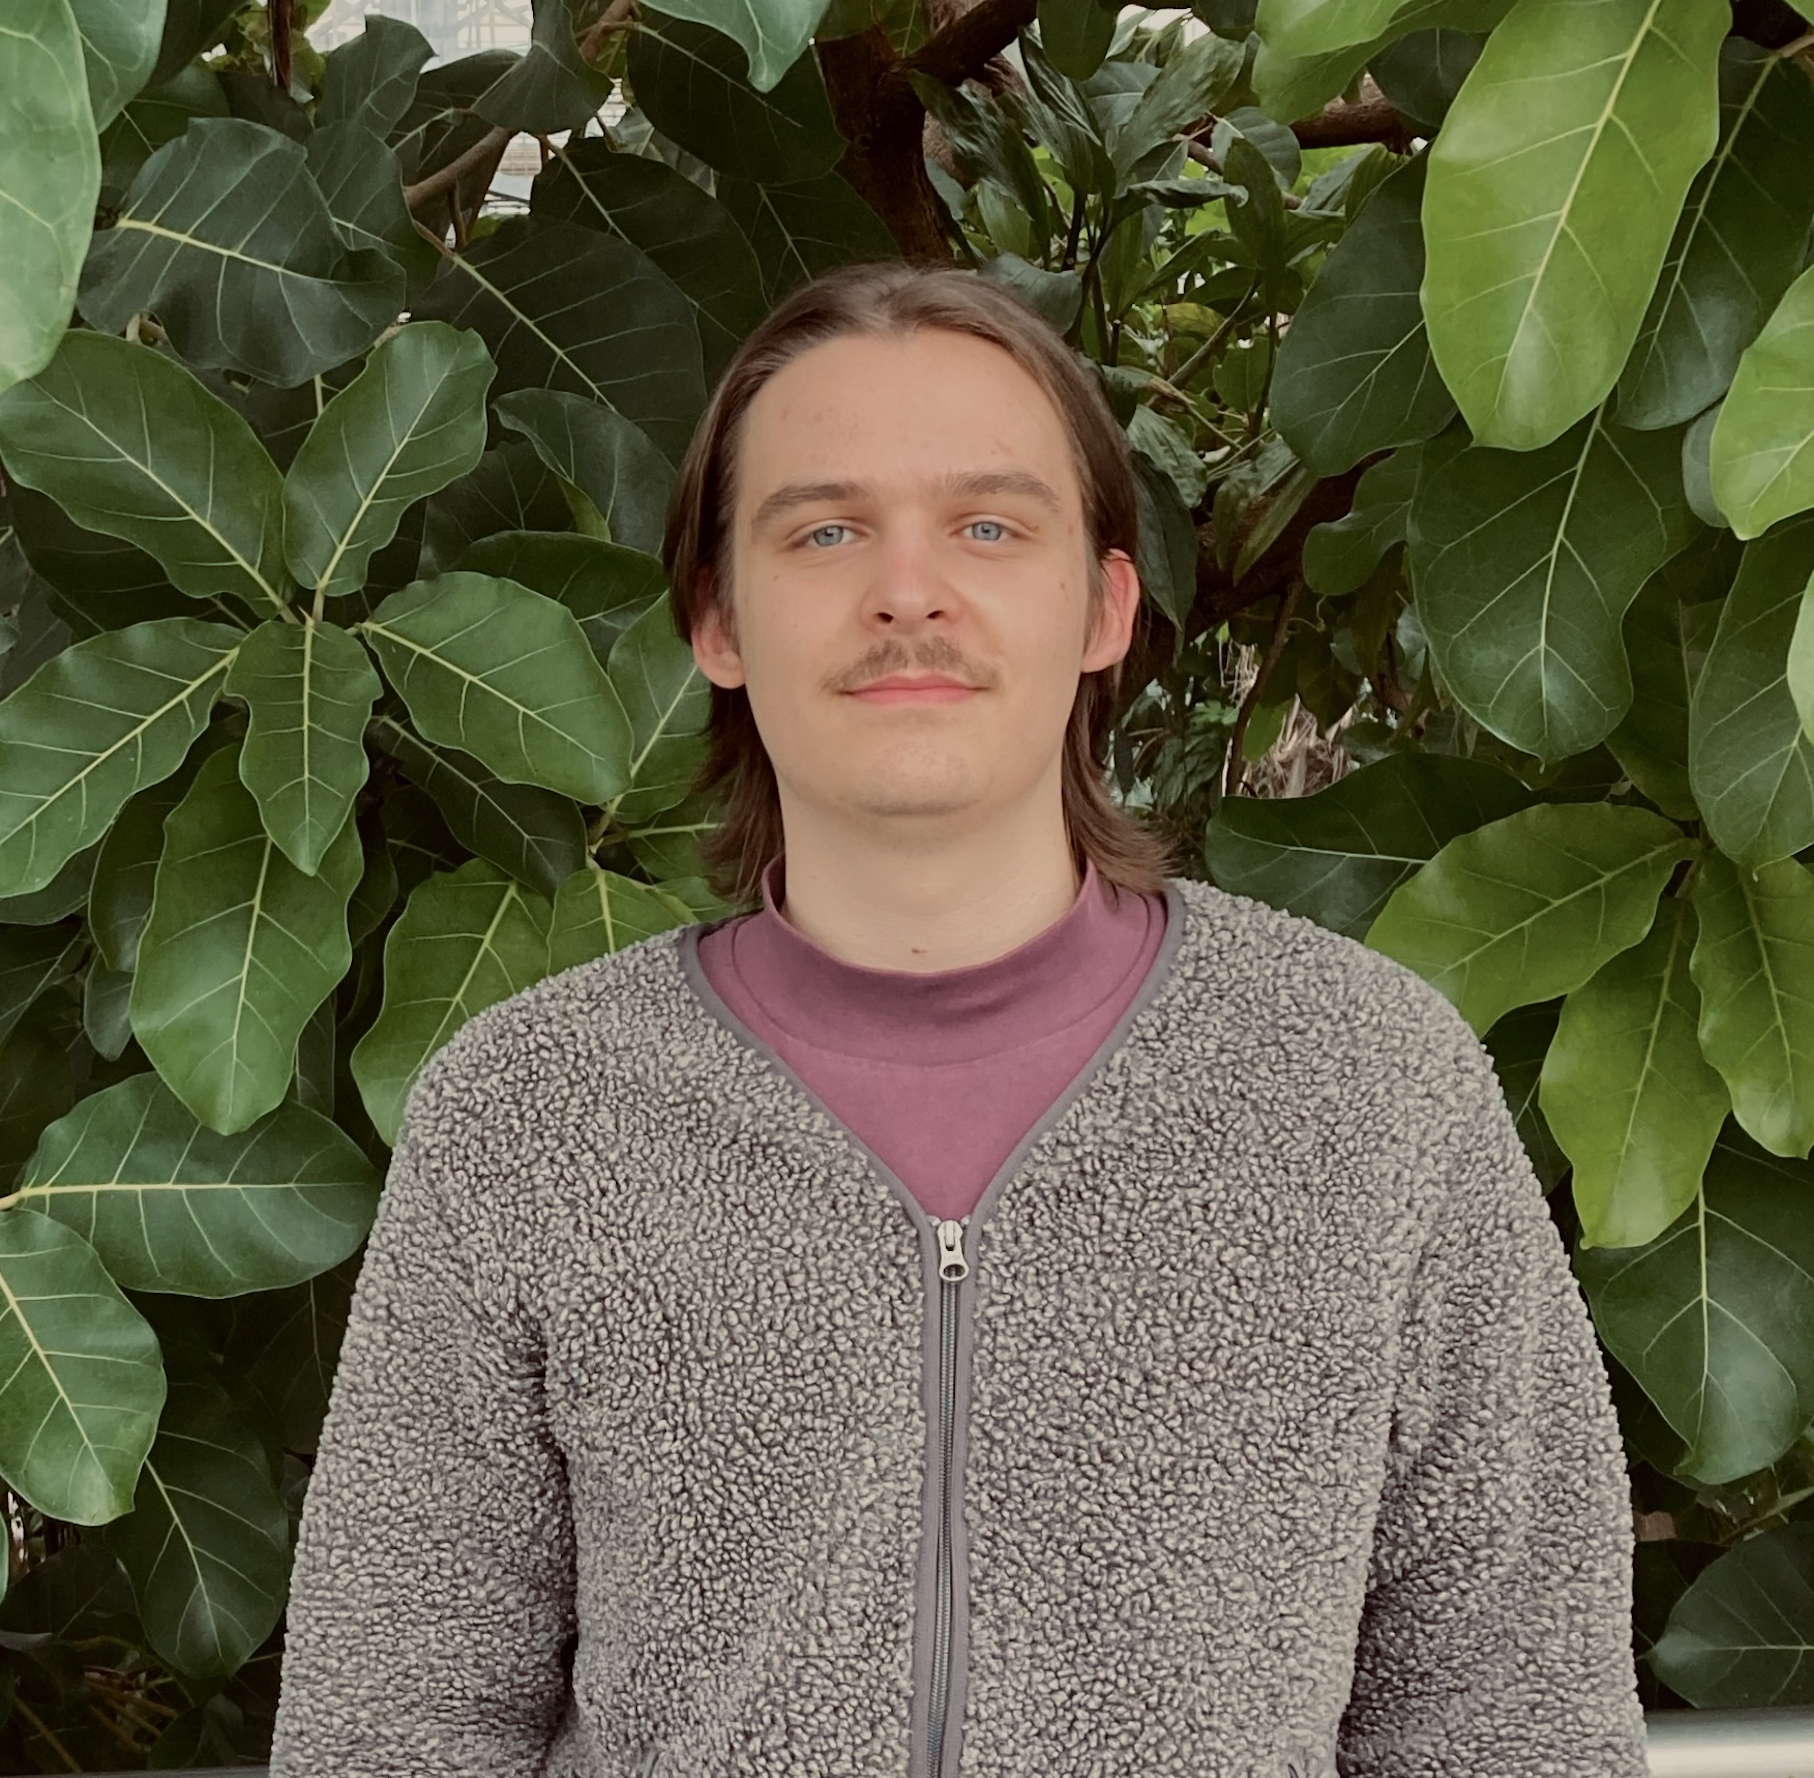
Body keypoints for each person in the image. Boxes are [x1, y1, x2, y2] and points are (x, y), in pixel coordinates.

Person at [268, 260, 1649, 1778]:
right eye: (826, 530)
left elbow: (1515, 1718)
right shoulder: (530, 1115)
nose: (907, 591)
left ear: (1103, 608)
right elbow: (388, 1728)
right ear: (717, 618)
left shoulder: (1369, 1086)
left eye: (988, 526)